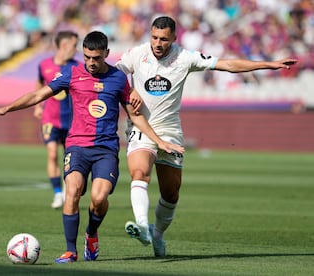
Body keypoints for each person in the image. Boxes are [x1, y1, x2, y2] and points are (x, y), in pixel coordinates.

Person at [0, 31, 184, 263]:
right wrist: (6, 108)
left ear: (107, 54)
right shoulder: (72, 74)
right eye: (87, 57)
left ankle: (91, 233)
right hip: (77, 146)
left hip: (105, 150)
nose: (91, 62)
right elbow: (39, 94)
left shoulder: (118, 79)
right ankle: (71, 250)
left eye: (97, 58)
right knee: (72, 192)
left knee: (99, 199)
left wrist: (158, 140)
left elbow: (135, 115)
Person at [115, 16, 298, 257]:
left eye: (164, 39)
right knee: (139, 172)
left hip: (170, 130)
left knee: (171, 193)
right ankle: (142, 226)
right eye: (154, 37)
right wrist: (132, 89)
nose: (158, 43)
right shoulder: (137, 54)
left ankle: (157, 234)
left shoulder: (184, 57)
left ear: (174, 38)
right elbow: (113, 74)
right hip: (142, 127)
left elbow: (227, 65)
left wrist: (269, 64)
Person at [33, 31, 79, 209]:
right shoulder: (44, 65)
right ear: (64, 45)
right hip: (50, 119)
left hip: (72, 121)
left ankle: (70, 191)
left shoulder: (77, 67)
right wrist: (37, 106)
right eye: (74, 45)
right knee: (52, 154)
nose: (76, 49)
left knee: (70, 159)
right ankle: (58, 194)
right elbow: (39, 85)